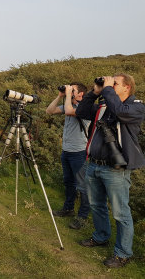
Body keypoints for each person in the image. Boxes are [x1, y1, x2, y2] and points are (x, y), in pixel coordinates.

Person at [76, 74, 145, 268]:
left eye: (114, 84)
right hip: (94, 165)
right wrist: (94, 92)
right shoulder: (106, 105)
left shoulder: (137, 107)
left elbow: (121, 113)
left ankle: (123, 253)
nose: (109, 86)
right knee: (97, 205)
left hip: (115, 170)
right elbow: (81, 111)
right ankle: (100, 236)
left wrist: (106, 90)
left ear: (127, 88)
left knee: (120, 212)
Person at [46, 82, 90, 230]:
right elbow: (49, 111)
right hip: (66, 151)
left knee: (82, 186)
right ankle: (68, 208)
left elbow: (69, 111)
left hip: (79, 152)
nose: (70, 92)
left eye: (73, 90)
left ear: (81, 94)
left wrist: (68, 95)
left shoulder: (86, 108)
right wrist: (60, 95)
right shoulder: (68, 104)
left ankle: (82, 217)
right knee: (69, 182)